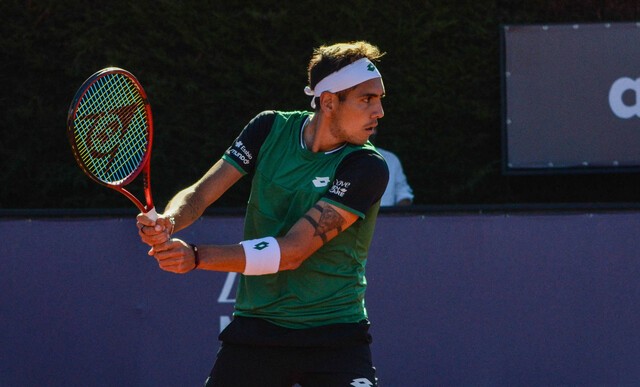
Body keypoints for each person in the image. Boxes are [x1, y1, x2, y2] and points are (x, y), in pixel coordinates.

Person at [137, 41, 388, 387]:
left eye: (379, 99)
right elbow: (200, 192)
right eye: (366, 99)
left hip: (335, 335)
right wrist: (170, 220)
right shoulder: (268, 129)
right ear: (329, 101)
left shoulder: (367, 166)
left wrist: (196, 256)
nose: (379, 112)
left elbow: (293, 251)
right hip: (258, 330)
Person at [371, 128, 414, 206]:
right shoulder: (344, 158)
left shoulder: (391, 159)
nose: (372, 131)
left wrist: (399, 215)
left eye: (373, 128)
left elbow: (403, 194)